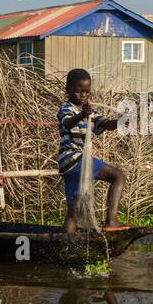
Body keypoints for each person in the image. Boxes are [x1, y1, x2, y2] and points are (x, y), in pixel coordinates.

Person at [57, 69, 128, 233]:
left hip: (69, 165)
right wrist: (82, 114)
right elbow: (67, 124)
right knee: (118, 176)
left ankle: (67, 246)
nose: (83, 95)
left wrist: (120, 122)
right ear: (67, 90)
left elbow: (104, 124)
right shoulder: (66, 108)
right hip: (75, 160)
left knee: (73, 211)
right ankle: (112, 221)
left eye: (87, 92)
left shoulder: (90, 111)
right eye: (78, 91)